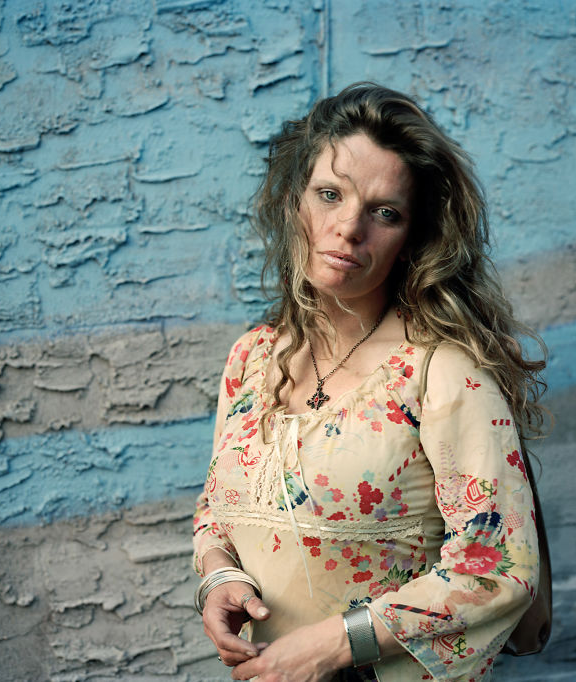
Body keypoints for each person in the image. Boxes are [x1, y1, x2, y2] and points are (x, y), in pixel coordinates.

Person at [192, 83, 548, 682]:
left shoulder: (442, 370)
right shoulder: (252, 358)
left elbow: (498, 568)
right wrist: (218, 576)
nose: (349, 228)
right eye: (329, 195)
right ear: (293, 204)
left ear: (415, 236)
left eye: (385, 212)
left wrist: (334, 645)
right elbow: (215, 509)